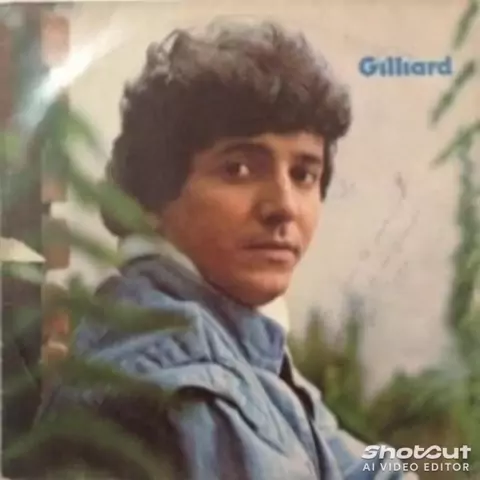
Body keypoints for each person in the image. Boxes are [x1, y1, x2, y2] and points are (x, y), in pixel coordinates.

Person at [37, 21, 413, 480]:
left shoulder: (236, 339)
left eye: (304, 174)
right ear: (152, 195)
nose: (284, 206)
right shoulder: (178, 385)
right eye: (238, 169)